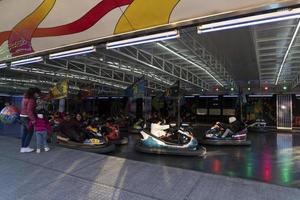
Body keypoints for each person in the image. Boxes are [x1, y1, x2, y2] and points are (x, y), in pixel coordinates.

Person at [20, 87, 41, 153]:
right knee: (30, 132)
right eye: (38, 93)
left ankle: (23, 147)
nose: (38, 95)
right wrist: (33, 120)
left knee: (25, 132)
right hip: (27, 117)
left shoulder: (24, 97)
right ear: (34, 93)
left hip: (22, 116)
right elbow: (29, 110)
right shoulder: (31, 100)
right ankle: (25, 147)